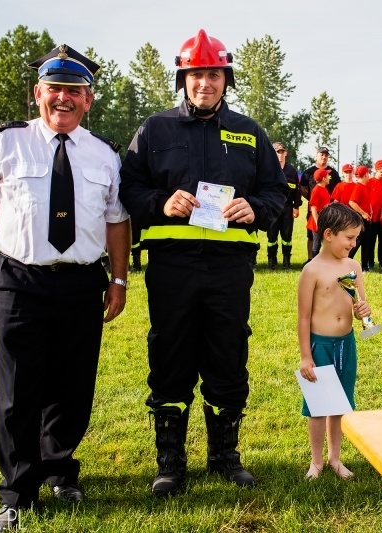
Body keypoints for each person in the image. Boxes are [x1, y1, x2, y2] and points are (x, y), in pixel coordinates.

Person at [0, 44, 130, 532]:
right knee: (18, 388)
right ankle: (17, 490)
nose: (64, 99)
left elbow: (117, 220)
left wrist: (118, 279)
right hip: (19, 279)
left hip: (81, 281)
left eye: (74, 91)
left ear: (88, 100)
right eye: (55, 89)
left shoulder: (104, 154)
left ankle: (60, 469)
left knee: (73, 384)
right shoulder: (6, 143)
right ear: (38, 93)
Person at [118, 29, 285, 497]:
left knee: (228, 354)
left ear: (225, 79)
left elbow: (277, 193)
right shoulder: (154, 130)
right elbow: (126, 188)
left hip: (230, 268)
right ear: (183, 79)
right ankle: (170, 460)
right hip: (172, 267)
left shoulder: (251, 132)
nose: (204, 83)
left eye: (213, 74)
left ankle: (224, 456)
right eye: (195, 74)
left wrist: (258, 208)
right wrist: (158, 201)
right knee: (170, 355)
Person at [297, 202, 372, 480]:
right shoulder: (312, 271)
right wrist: (306, 356)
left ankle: (335, 458)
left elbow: (360, 304)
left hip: (346, 344)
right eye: (349, 238)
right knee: (318, 406)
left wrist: (363, 310)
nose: (353, 244)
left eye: (356, 238)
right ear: (329, 234)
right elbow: (303, 317)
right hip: (320, 346)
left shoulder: (353, 266)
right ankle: (316, 461)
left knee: (339, 404)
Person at [300, 147, 341, 263]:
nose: (324, 157)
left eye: (326, 155)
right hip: (317, 215)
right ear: (317, 155)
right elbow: (302, 187)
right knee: (314, 239)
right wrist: (312, 199)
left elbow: (338, 187)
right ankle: (312, 260)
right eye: (321, 154)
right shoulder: (311, 175)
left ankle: (323, 260)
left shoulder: (332, 173)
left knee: (327, 237)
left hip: (326, 213)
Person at [266, 142, 300, 270]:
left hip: (287, 208)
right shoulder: (268, 169)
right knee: (271, 236)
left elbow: (296, 190)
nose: (280, 155)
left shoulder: (291, 171)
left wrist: (296, 206)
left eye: (282, 152)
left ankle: (287, 261)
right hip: (272, 207)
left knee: (287, 236)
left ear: (285, 153)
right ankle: (271, 260)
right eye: (277, 152)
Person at [307, 168, 333, 259]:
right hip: (317, 221)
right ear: (323, 178)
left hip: (324, 220)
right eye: (327, 176)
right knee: (316, 244)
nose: (329, 177)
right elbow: (313, 207)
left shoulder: (324, 189)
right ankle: (314, 264)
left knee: (326, 243)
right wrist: (318, 222)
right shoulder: (316, 190)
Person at [347, 165, 371, 262]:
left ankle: (365, 265)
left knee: (366, 242)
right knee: (357, 241)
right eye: (368, 173)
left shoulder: (364, 187)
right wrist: (363, 213)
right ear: (365, 174)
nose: (369, 175)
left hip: (366, 219)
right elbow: (351, 202)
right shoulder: (359, 187)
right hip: (360, 219)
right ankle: (347, 260)